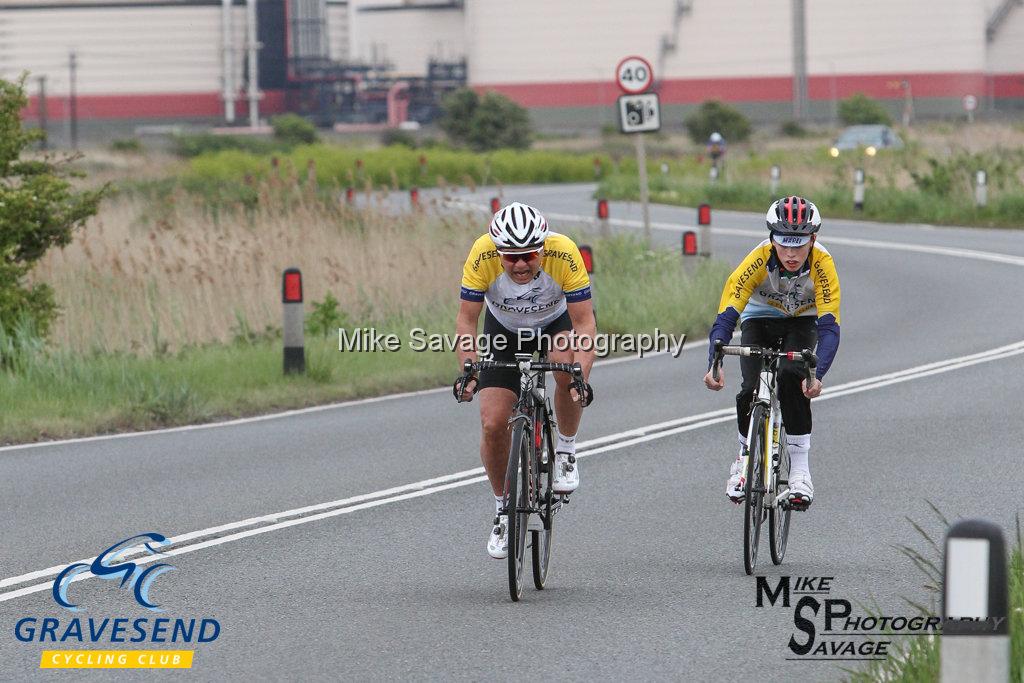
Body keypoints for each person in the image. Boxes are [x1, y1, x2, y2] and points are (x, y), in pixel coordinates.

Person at [453, 202, 596, 559]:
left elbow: (584, 323)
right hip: (504, 329)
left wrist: (580, 377)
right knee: (492, 423)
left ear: (543, 249)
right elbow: (466, 320)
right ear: (497, 251)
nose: (520, 264)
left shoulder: (564, 252)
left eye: (529, 256)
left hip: (554, 324)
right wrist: (469, 368)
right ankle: (503, 509)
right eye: (510, 257)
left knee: (565, 366)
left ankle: (564, 448)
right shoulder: (481, 253)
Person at [702, 196, 840, 509]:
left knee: (793, 377)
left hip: (803, 321)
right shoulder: (757, 258)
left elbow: (830, 327)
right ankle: (743, 457)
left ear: (813, 239)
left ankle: (800, 473)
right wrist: (715, 362)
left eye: (799, 245)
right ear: (772, 240)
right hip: (760, 319)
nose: (791, 254)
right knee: (749, 389)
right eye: (784, 244)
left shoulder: (823, 263)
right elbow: (726, 315)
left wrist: (817, 375)